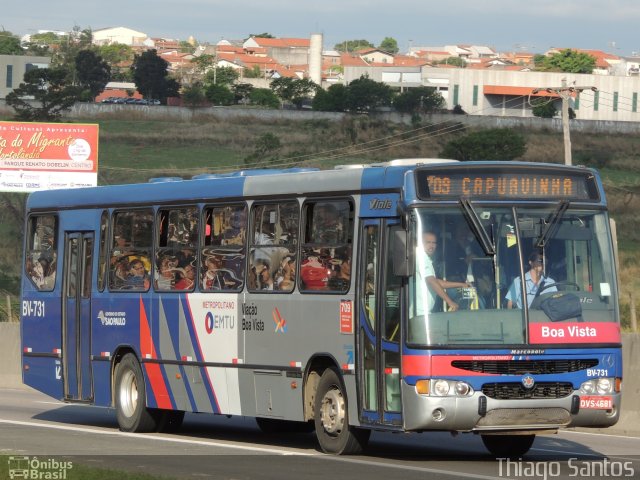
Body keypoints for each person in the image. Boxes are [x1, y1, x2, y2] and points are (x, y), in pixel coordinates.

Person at [417, 231, 470, 313]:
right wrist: (450, 302)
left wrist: (462, 284)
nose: (431, 246)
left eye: (434, 243)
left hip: (424, 311)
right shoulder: (421, 257)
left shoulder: (425, 257)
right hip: (420, 312)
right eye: (428, 242)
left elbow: (436, 282)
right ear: (420, 243)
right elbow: (431, 281)